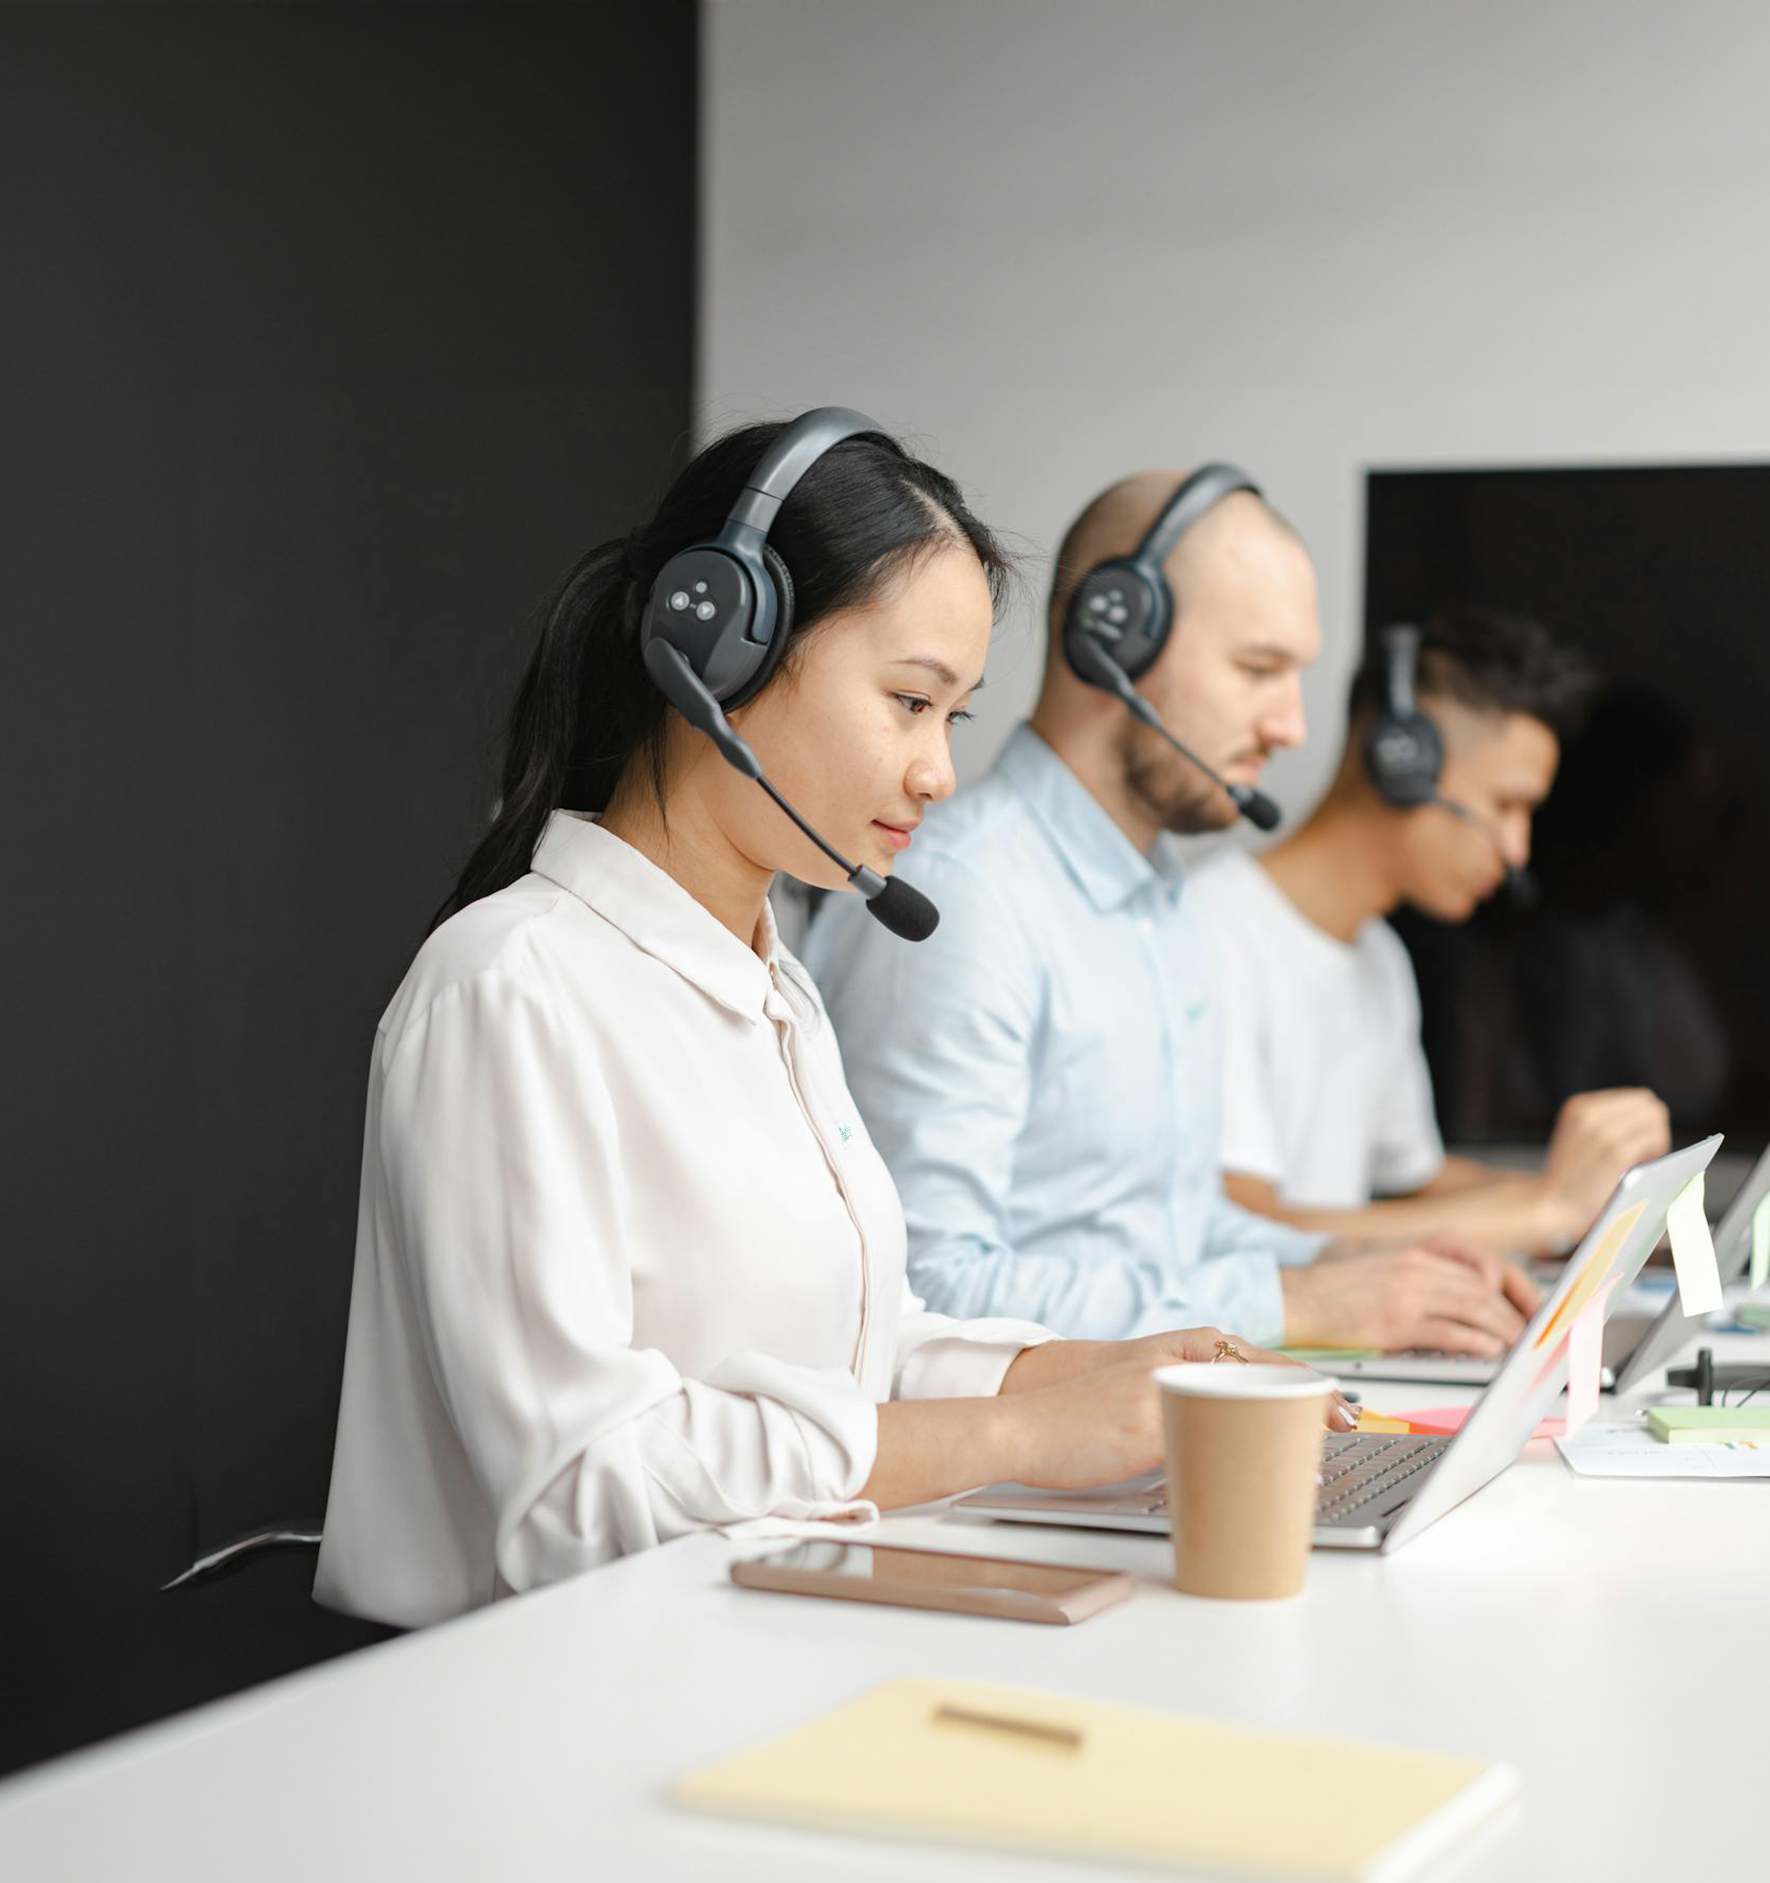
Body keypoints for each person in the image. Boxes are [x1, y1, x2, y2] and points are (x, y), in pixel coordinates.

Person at [316, 417, 1331, 1631]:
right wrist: (1013, 1431)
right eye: (909, 700)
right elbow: (581, 1490)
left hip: (756, 1643)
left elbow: (851, 1341)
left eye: (952, 718)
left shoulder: (774, 984)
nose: (938, 771)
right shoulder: (512, 984)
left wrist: (1086, 1372)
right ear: (719, 647)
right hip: (550, 1707)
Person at [807, 467, 1536, 1356]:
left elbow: (1175, 1235)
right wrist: (1300, 1308)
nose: (1291, 727)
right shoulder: (967, 900)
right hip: (1000, 1482)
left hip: (1147, 1441)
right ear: (1116, 632)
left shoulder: (1162, 899)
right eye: (1258, 669)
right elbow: (921, 1287)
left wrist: (1360, 1266)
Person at [1196, 608, 1669, 1254]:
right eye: (1506, 805)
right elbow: (1245, 1232)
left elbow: (1418, 1183)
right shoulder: (1212, 930)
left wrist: (1598, 1203)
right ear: (1400, 759)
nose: (1516, 851)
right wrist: (1543, 1211)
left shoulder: (1379, 959)